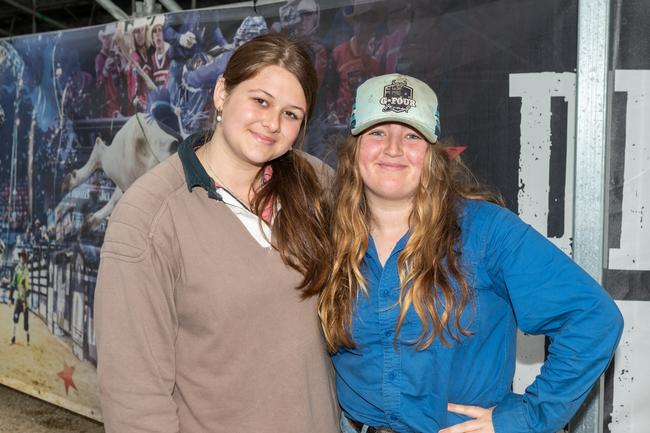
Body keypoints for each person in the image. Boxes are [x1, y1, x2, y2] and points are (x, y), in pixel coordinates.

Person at [318, 73, 624, 433]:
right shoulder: (327, 236)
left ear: (432, 154)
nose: (394, 148)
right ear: (354, 149)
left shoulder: (485, 231)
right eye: (377, 132)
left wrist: (523, 418)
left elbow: (593, 317)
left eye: (412, 135)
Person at [94, 33, 339, 433]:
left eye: (291, 114)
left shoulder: (318, 185)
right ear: (223, 93)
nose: (272, 123)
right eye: (260, 100)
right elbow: (133, 398)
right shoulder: (150, 217)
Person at [10, 250, 30, 345]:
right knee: (15, 318)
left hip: (25, 301)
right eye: (21, 256)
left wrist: (25, 296)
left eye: (23, 257)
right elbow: (13, 284)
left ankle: (28, 339)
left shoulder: (26, 270)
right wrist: (10, 298)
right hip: (18, 300)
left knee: (26, 322)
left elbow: (28, 287)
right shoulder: (17, 270)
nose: (22, 258)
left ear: (25, 259)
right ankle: (13, 337)